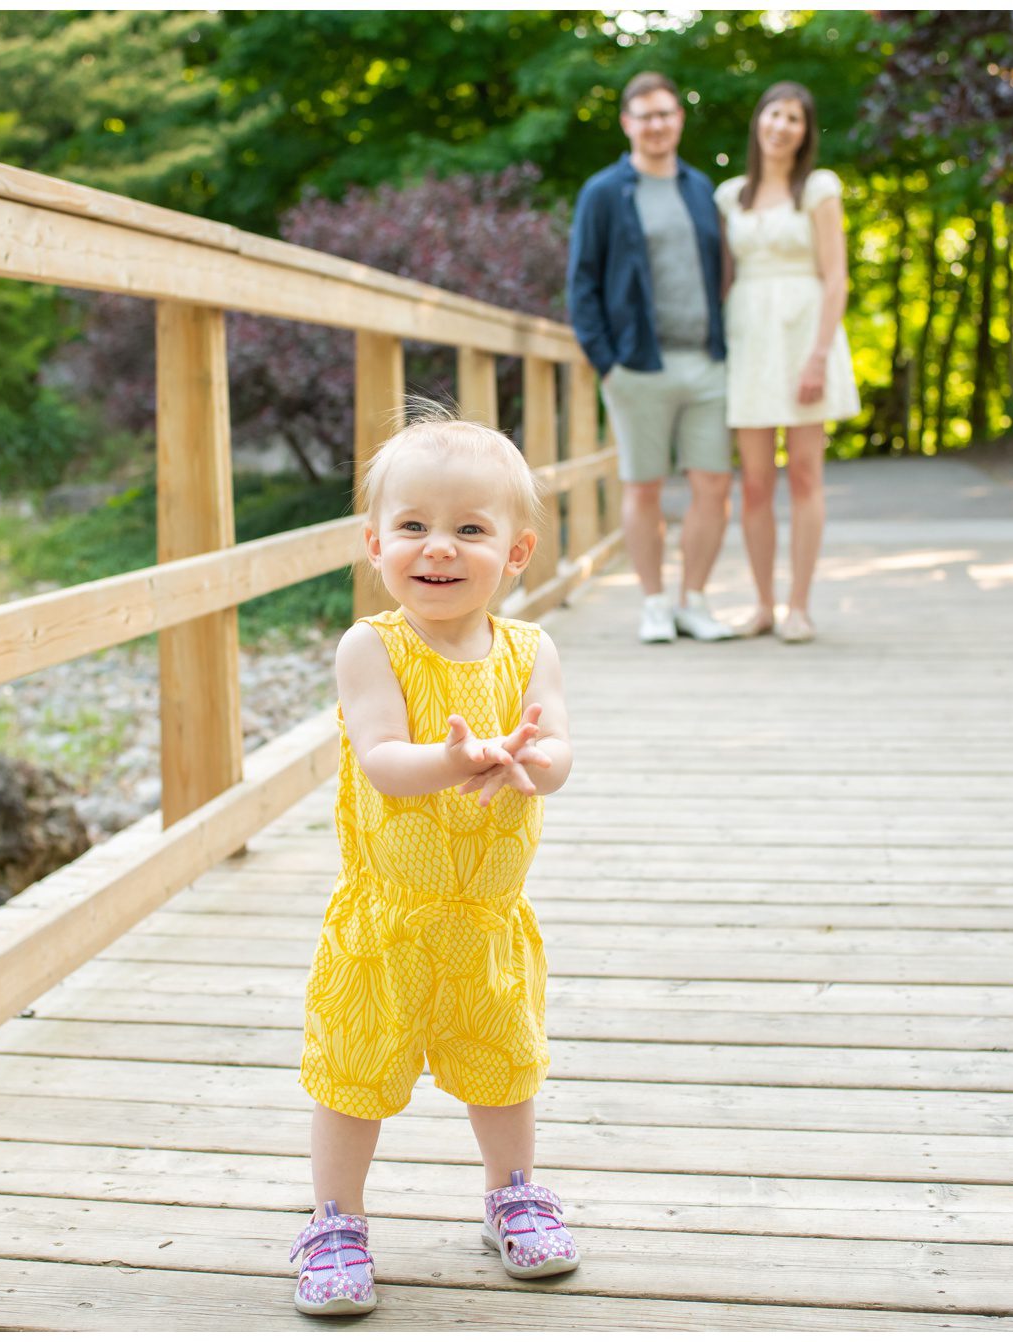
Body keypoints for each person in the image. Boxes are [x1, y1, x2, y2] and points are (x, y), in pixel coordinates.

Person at [290, 409, 581, 1316]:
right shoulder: (373, 647)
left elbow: (561, 751)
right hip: (392, 917)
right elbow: (381, 759)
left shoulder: (530, 651)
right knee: (357, 1071)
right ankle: (335, 1217)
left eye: (469, 529)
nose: (438, 549)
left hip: (487, 918)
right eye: (412, 527)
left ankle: (514, 1192)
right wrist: (456, 759)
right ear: (375, 543)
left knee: (504, 1063)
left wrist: (532, 763)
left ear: (517, 551)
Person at [568, 70, 735, 644]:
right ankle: (654, 603)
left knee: (714, 485)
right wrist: (606, 364)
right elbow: (582, 283)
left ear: (679, 118)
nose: (657, 124)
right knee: (644, 487)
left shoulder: (700, 188)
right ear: (627, 123)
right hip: (638, 366)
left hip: (707, 362)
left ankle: (694, 600)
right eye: (645, 115)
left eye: (665, 113)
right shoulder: (603, 192)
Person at [716, 81, 860, 642]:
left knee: (804, 475)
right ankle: (762, 605)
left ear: (805, 131)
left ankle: (800, 605)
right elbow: (724, 276)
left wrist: (819, 355)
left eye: (795, 119)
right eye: (775, 114)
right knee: (754, 483)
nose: (782, 126)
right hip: (749, 339)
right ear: (760, 121)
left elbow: (837, 276)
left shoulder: (818, 189)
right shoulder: (731, 196)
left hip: (804, 336)